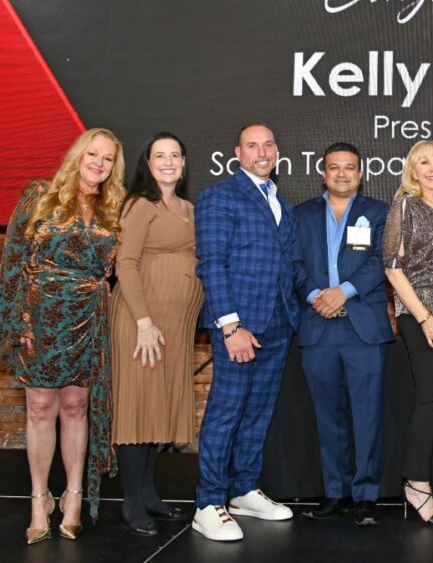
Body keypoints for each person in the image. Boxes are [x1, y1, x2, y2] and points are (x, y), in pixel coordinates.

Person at [0, 128, 125, 543]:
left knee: (74, 406)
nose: (99, 163)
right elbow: (13, 259)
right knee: (39, 408)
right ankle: (38, 499)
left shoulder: (115, 208)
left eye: (107, 159)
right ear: (78, 154)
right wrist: (19, 321)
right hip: (42, 315)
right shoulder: (39, 194)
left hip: (88, 316)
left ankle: (72, 498)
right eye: (93, 154)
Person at [192, 122, 299, 542]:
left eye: (269, 144)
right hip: (238, 325)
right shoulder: (219, 196)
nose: (262, 151)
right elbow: (211, 263)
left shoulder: (280, 202)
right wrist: (230, 325)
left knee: (258, 412)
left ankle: (243, 490)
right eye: (253, 145)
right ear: (238, 152)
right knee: (227, 411)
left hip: (276, 324)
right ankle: (208, 502)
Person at [293, 142, 393, 526]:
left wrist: (343, 292)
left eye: (349, 168)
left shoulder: (380, 213)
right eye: (334, 167)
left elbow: (381, 262)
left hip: (362, 328)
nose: (341, 174)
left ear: (361, 173)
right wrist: (317, 295)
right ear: (322, 172)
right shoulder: (301, 215)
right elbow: (294, 264)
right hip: (318, 326)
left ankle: (366, 494)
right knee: (327, 416)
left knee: (367, 415)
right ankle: (335, 492)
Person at [110, 132, 202, 535]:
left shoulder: (188, 207)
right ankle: (132, 503)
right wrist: (144, 323)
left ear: (183, 163)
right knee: (136, 407)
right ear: (147, 164)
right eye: (159, 155)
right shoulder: (139, 206)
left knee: (156, 408)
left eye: (175, 155)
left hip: (176, 326)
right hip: (141, 322)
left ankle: (149, 494)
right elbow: (125, 265)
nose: (168, 161)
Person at [382, 140, 433, 526]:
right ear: (412, 170)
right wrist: (425, 318)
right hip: (421, 315)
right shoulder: (405, 205)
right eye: (424, 162)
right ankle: (415, 484)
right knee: (430, 397)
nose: (432, 168)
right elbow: (393, 268)